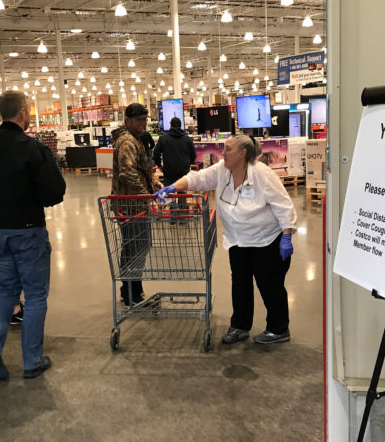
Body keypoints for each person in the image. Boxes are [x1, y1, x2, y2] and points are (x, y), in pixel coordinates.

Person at [156, 134, 297, 344]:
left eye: (228, 149)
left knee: (269, 285)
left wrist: (287, 235)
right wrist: (174, 187)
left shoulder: (262, 174)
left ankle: (279, 329)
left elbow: (283, 205)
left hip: (265, 240)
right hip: (237, 239)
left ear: (242, 154)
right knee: (240, 283)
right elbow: (198, 178)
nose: (222, 153)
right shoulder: (222, 169)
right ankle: (240, 326)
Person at [0, 90, 66, 380]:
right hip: (27, 231)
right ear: (22, 112)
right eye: (29, 110)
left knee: (6, 290)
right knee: (34, 296)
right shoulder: (32, 149)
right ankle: (32, 361)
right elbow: (54, 193)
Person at [112, 103, 162, 306]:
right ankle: (132, 293)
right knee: (136, 248)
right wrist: (145, 195)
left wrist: (153, 183)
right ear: (128, 121)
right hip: (131, 206)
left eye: (145, 119)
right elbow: (127, 173)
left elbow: (137, 170)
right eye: (139, 120)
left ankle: (132, 291)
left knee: (134, 247)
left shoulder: (134, 140)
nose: (144, 123)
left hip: (133, 204)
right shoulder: (127, 142)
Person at [153, 117, 196, 218]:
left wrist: (159, 166)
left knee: (170, 192)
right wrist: (188, 163)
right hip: (183, 171)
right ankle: (183, 216)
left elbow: (155, 153)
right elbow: (193, 155)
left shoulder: (163, 138)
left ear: (171, 125)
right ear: (181, 125)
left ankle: (173, 215)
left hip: (169, 170)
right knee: (182, 193)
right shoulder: (187, 139)